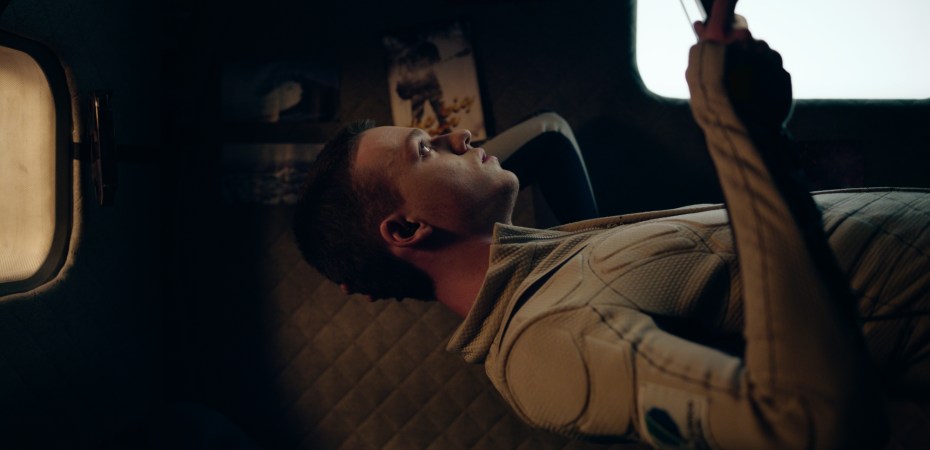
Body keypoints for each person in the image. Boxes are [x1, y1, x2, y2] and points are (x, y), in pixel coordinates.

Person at [293, 2, 929, 447]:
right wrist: (748, 136)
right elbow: (811, 427)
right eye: (426, 150)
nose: (458, 135)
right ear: (406, 232)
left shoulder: (551, 259)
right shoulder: (544, 347)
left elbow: (548, 136)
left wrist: (434, 215)